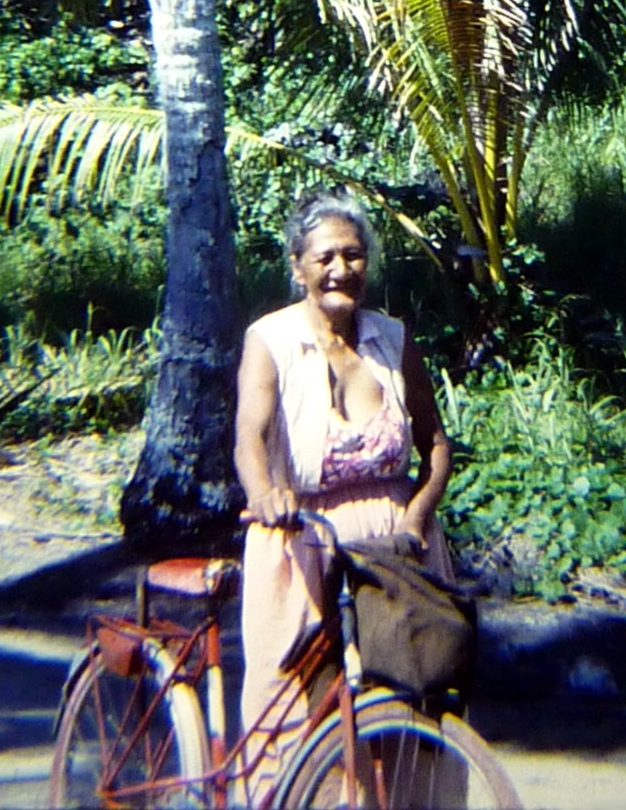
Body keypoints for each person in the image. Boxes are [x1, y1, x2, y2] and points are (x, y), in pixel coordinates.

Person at [234, 189, 455, 802]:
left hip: (395, 548)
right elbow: (248, 438)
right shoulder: (271, 340)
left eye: (353, 255)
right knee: (295, 711)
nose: (341, 269)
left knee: (412, 707)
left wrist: (417, 516)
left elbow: (436, 444)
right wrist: (265, 493)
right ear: (298, 265)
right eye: (325, 257)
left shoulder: (392, 339)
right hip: (304, 542)